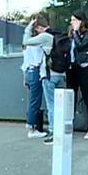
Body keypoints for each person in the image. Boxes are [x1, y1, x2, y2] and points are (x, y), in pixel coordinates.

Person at [22, 15, 66, 145]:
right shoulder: (59, 34)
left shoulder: (45, 36)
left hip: (48, 74)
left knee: (51, 105)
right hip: (61, 73)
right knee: (60, 104)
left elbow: (25, 41)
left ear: (40, 27)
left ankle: (54, 132)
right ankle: (62, 130)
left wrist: (29, 26)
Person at [67, 10, 88, 140]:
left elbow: (81, 46)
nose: (71, 22)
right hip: (72, 68)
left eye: (74, 20)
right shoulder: (71, 34)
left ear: (81, 21)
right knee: (71, 96)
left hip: (84, 67)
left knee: (87, 97)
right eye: (71, 20)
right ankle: (69, 123)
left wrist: (75, 32)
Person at [21, 22, 47, 139]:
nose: (43, 30)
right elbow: (38, 60)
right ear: (36, 29)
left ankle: (32, 126)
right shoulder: (36, 43)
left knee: (32, 100)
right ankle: (32, 128)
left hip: (28, 72)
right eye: (41, 28)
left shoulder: (27, 42)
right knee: (35, 101)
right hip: (35, 71)